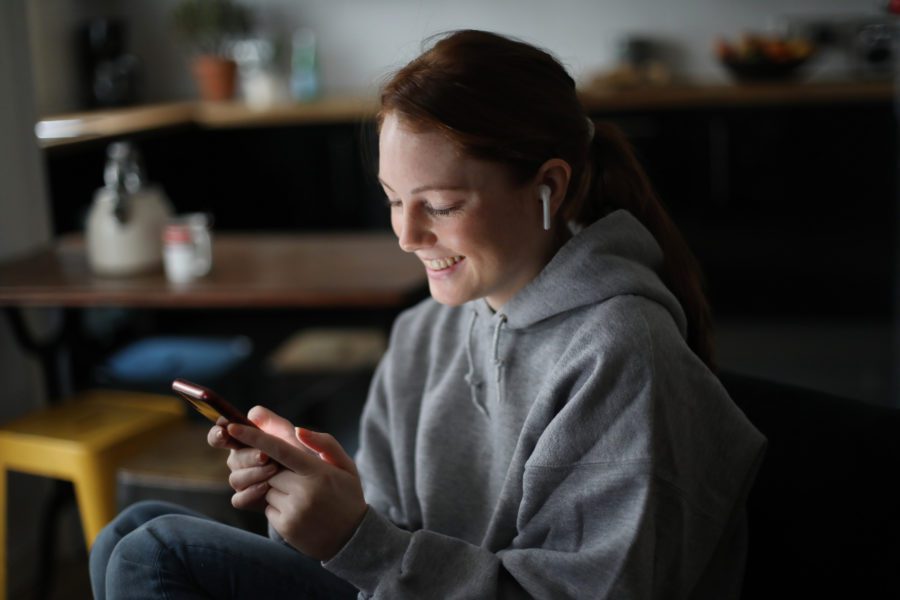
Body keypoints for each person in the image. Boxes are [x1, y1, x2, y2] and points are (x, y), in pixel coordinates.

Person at [90, 29, 765, 599]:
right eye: (392, 199)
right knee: (131, 530)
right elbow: (385, 540)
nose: (407, 237)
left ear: (548, 187)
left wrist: (360, 540)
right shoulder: (425, 331)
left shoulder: (620, 351)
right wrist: (331, 500)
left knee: (155, 551)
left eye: (438, 206)